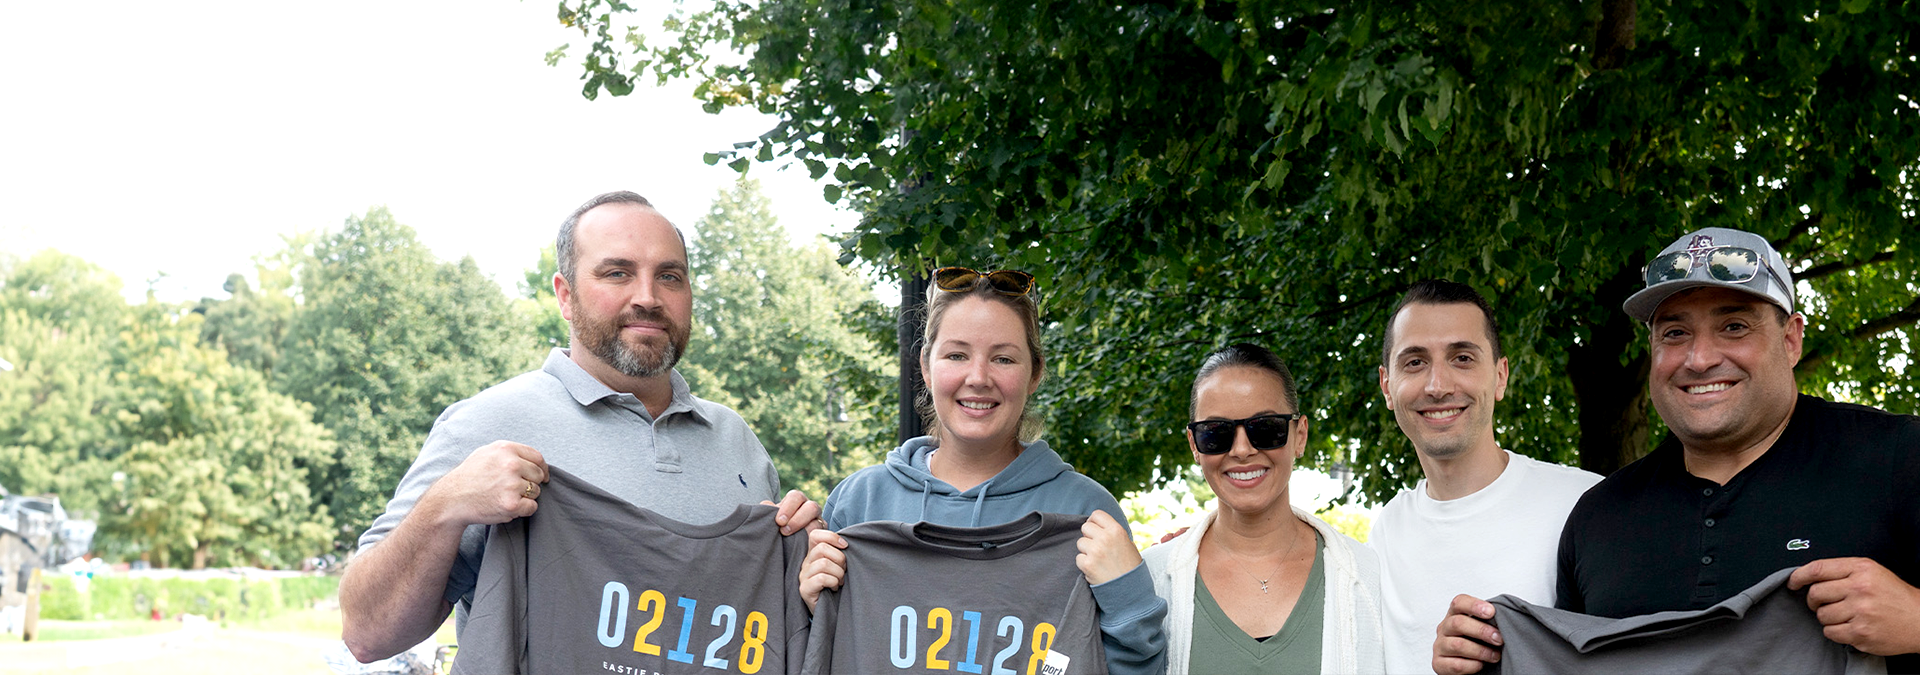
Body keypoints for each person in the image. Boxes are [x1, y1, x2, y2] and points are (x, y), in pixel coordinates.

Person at [339, 191, 820, 662]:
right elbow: (366, 635)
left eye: (670, 277)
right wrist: (445, 505)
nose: (648, 297)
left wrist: (803, 567)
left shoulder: (737, 441)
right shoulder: (489, 424)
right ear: (565, 296)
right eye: (618, 273)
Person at [1436, 227, 1920, 673]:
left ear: (1791, 339)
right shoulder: (1600, 516)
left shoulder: (1900, 457)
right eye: (1674, 333)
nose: (1700, 358)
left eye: (1734, 326)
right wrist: (1482, 657)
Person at [794, 267, 1168, 675]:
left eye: (1003, 358)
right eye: (956, 355)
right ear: (925, 366)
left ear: (1035, 374)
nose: (978, 378)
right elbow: (811, 655)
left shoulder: (1086, 513)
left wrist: (1126, 597)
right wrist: (816, 609)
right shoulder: (859, 501)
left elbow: (1132, 666)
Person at [1367, 280, 1599, 674]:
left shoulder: (1585, 503)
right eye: (1415, 362)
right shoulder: (1386, 532)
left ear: (1500, 376)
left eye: (1462, 358)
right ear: (1387, 387)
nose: (1438, 386)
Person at [1144, 343, 1384, 674]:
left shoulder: (1370, 581)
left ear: (1299, 436)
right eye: (1216, 433)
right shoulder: (1152, 582)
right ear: (1194, 446)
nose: (1242, 450)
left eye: (1266, 428)